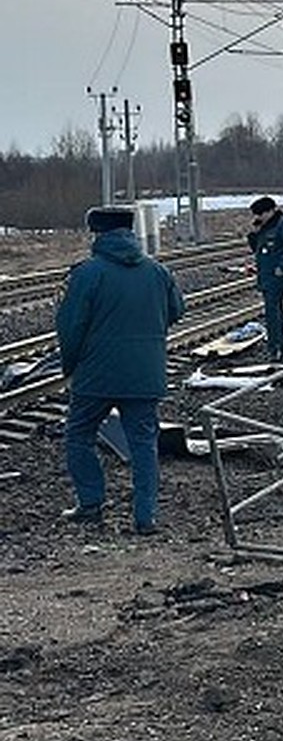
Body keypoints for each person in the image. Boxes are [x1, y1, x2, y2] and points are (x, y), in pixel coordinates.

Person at [55, 206, 186, 534]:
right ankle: (145, 516)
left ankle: (90, 503)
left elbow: (70, 327)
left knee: (79, 436)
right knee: (143, 443)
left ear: (96, 234)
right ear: (130, 232)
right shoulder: (158, 271)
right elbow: (176, 311)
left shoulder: (86, 274)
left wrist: (69, 367)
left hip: (96, 375)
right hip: (145, 375)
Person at [247, 195, 283, 361]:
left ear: (271, 211)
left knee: (273, 313)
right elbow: (257, 250)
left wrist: (282, 267)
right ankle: (278, 345)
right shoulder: (265, 227)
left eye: (261, 214)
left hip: (276, 276)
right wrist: (253, 235)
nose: (258, 218)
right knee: (273, 312)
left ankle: (277, 347)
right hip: (266, 276)